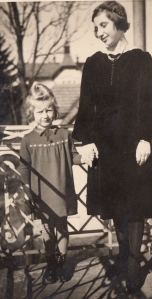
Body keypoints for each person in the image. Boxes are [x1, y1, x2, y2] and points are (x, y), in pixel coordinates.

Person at [72, 0, 152, 294]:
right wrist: (84, 143)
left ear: (119, 24)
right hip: (104, 146)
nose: (99, 32)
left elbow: (149, 101)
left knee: (135, 207)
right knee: (116, 207)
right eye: (96, 27)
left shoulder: (140, 59)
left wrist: (146, 138)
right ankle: (124, 259)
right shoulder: (93, 63)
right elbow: (86, 107)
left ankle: (134, 269)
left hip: (134, 144)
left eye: (104, 25)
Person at [20, 82, 94, 284]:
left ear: (55, 110)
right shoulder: (28, 140)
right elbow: (24, 168)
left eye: (49, 110)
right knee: (46, 231)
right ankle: (50, 265)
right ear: (31, 114)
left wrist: (85, 158)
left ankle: (61, 266)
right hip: (41, 196)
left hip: (62, 192)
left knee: (62, 228)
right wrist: (27, 191)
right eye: (40, 111)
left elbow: (73, 156)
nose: (45, 115)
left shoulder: (64, 135)